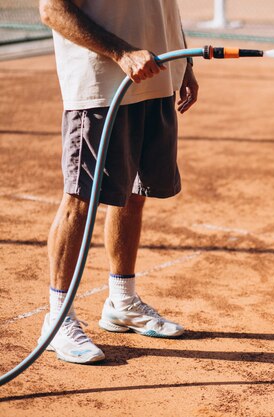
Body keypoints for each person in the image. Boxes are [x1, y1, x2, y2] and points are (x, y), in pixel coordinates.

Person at [38, 0, 199, 364]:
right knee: (80, 199)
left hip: (157, 80)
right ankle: (58, 318)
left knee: (133, 194)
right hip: (100, 87)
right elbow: (52, 10)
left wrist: (184, 63)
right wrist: (121, 53)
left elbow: (163, 9)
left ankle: (122, 302)